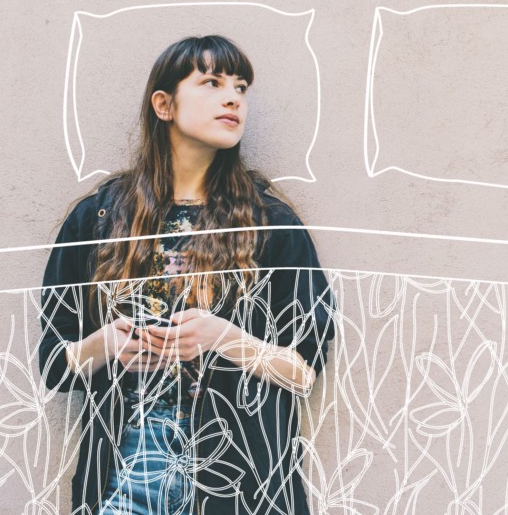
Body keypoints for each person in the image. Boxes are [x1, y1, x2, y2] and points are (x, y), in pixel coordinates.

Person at [38, 35, 337, 515]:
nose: (233, 97)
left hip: (237, 483)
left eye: (241, 86)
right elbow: (55, 365)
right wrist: (105, 344)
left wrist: (223, 336)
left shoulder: (271, 225)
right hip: (125, 481)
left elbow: (303, 371)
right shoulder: (96, 221)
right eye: (212, 82)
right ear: (164, 104)